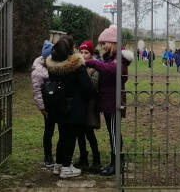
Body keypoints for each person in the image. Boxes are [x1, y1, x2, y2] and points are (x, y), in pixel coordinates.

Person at [85, 25, 134, 176]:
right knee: (113, 133)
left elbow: (110, 70)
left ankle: (116, 164)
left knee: (114, 133)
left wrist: (91, 62)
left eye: (104, 43)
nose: (102, 46)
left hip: (114, 103)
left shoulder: (120, 59)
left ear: (112, 42)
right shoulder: (111, 58)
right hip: (108, 102)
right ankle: (116, 162)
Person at [46, 36, 93, 178]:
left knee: (62, 135)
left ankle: (58, 165)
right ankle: (66, 168)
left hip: (57, 105)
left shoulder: (52, 64)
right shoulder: (76, 64)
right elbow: (87, 87)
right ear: (71, 48)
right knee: (70, 137)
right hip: (73, 106)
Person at [77, 40, 102, 173]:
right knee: (79, 133)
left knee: (89, 133)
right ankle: (83, 158)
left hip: (90, 105)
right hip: (79, 105)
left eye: (86, 52)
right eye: (81, 52)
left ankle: (96, 159)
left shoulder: (95, 68)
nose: (83, 54)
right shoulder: (77, 65)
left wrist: (82, 73)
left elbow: (93, 87)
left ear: (91, 54)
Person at [31, 40, 55, 167]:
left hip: (56, 103)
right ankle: (48, 155)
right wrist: (42, 108)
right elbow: (37, 92)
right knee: (49, 131)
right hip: (47, 107)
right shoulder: (38, 72)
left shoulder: (51, 65)